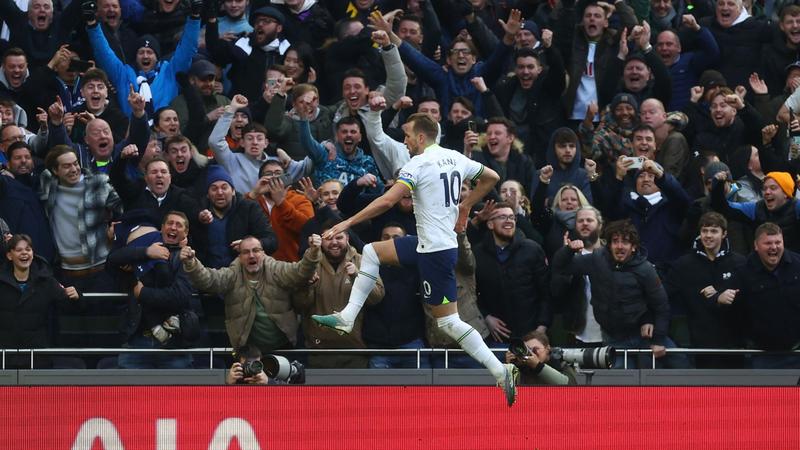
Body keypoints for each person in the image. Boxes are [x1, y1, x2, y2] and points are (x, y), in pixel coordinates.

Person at [311, 113, 519, 407]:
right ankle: (347, 316)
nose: (405, 141)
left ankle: (501, 370)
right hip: (429, 245)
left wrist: (345, 223)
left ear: (421, 137)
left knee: (449, 323)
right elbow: (491, 178)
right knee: (372, 251)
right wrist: (464, 207)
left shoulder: (418, 163)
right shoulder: (454, 156)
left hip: (434, 252)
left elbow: (386, 201)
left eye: (407, 135)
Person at [552, 219, 689, 369]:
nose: (619, 246)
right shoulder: (596, 260)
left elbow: (661, 305)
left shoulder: (645, 269)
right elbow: (561, 267)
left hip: (644, 335)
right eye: (615, 241)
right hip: (613, 337)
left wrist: (658, 340)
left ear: (634, 247)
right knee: (621, 382)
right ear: (609, 245)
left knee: (679, 363)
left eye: (625, 242)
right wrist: (568, 250)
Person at [180, 234, 321, 352]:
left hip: (283, 348)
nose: (251, 255)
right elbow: (209, 280)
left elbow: (300, 272)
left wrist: (313, 251)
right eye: (246, 252)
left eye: (256, 250)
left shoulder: (276, 269)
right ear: (240, 257)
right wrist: (192, 263)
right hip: (246, 352)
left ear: (263, 253)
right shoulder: (232, 274)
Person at [665, 212, 746, 368]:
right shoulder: (684, 265)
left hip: (734, 345)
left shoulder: (739, 263)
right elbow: (663, 296)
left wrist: (719, 297)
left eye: (714, 231)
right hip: (699, 346)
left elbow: (747, 299)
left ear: (724, 234)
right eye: (704, 231)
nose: (708, 235)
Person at [717, 222, 800, 368]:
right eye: (768, 243)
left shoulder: (798, 264)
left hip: (797, 352)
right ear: (756, 245)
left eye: (777, 242)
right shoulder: (743, 272)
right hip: (760, 356)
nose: (774, 247)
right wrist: (719, 299)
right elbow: (728, 311)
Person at [0, 234, 81, 368]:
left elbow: (68, 307)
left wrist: (77, 296)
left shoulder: (46, 281)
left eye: (28, 249)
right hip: (4, 357)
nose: (24, 253)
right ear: (10, 255)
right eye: (19, 250)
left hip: (37, 357)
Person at [505, 330, 576, 385]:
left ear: (547, 349)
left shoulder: (562, 365)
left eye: (535, 349)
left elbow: (570, 386)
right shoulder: (522, 368)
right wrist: (509, 368)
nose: (532, 353)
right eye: (528, 349)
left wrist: (538, 366)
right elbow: (504, 394)